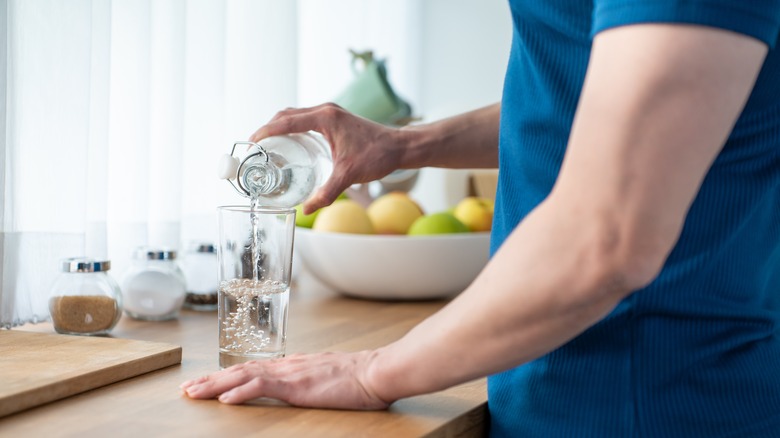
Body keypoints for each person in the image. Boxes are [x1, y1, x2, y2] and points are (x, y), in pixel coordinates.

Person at [182, 1, 780, 435]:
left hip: (646, 402)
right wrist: (404, 146)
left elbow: (606, 239)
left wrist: (375, 372)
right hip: (557, 390)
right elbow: (591, 104)